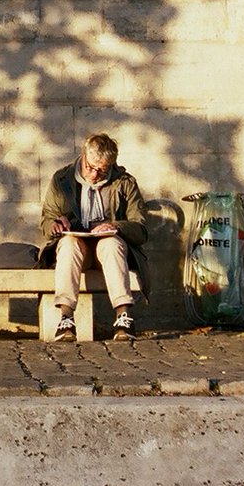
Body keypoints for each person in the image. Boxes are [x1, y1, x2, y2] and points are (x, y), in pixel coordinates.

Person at [39, 133, 150, 341]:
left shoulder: (124, 183)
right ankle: (66, 318)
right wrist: (55, 225)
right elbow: (46, 221)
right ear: (83, 156)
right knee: (69, 244)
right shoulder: (62, 179)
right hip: (77, 249)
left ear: (112, 165)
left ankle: (123, 317)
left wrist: (115, 226)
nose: (94, 175)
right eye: (90, 167)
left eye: (102, 170)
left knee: (110, 243)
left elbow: (141, 229)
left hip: (108, 253)